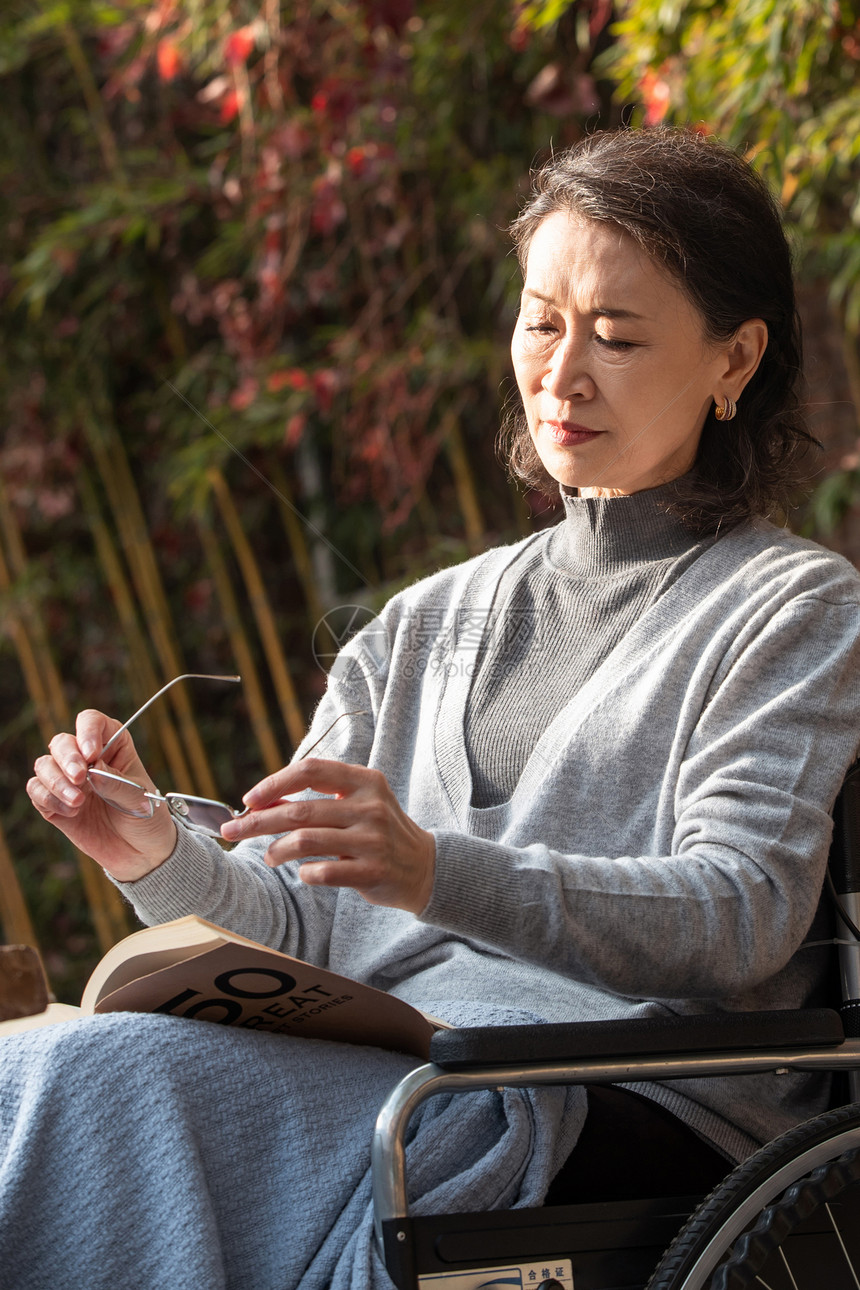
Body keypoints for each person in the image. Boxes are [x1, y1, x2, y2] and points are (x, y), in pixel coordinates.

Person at [8, 125, 860, 1290]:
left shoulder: (789, 608)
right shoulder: (421, 623)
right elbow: (310, 935)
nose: (559, 374)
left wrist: (431, 869)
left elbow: (741, 913)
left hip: (605, 1097)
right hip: (404, 1078)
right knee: (35, 1068)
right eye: (538, 319)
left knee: (102, 1085)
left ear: (733, 359)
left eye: (613, 336)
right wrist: (153, 850)